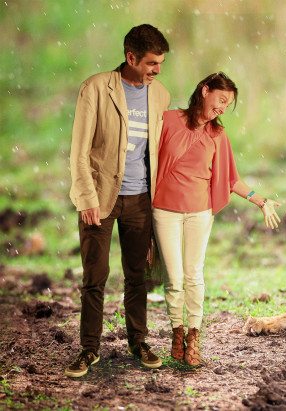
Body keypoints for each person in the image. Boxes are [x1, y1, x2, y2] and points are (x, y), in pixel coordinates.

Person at [152, 72, 281, 366]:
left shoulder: (217, 136)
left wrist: (261, 201)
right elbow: (147, 158)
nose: (222, 108)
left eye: (227, 105)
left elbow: (231, 179)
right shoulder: (168, 120)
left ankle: (194, 337)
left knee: (193, 274)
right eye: (221, 100)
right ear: (205, 90)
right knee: (173, 278)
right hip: (164, 210)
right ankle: (177, 331)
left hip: (199, 212)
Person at [65, 24, 170, 378]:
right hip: (100, 199)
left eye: (160, 63)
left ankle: (138, 341)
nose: (157, 70)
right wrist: (86, 198)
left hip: (140, 200)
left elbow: (155, 153)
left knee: (137, 276)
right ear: (131, 58)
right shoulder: (95, 89)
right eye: (152, 63)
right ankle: (88, 348)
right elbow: (79, 152)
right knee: (95, 277)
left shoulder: (161, 96)